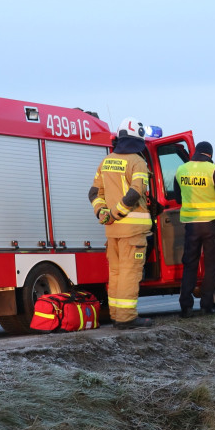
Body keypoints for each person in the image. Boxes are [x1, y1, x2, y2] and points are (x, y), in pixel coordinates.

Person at [88, 117, 155, 329]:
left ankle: (117, 315)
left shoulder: (106, 160)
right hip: (132, 231)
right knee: (130, 272)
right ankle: (127, 319)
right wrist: (117, 213)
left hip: (112, 231)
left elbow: (93, 193)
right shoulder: (137, 161)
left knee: (115, 273)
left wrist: (102, 213)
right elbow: (136, 192)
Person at [174, 141, 215, 317]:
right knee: (211, 266)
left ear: (196, 152)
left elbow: (177, 198)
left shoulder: (181, 170)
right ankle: (207, 305)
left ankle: (186, 307)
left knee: (189, 264)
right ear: (210, 155)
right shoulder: (214, 170)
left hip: (191, 224)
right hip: (211, 224)